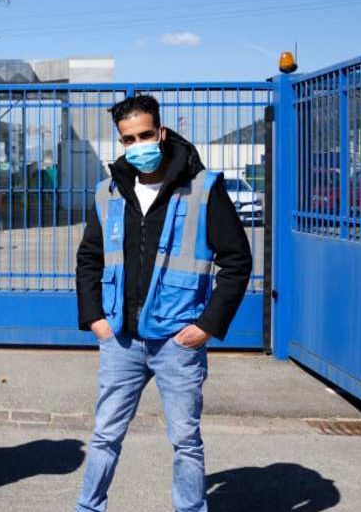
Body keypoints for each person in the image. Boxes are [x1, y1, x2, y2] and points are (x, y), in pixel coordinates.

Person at [74, 94, 252, 512]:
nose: (139, 145)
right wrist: (95, 318)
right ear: (121, 141)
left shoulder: (203, 188)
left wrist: (207, 326)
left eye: (145, 135)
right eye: (129, 138)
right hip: (121, 339)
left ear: (162, 132)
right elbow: (89, 258)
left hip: (178, 340)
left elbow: (237, 260)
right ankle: (87, 508)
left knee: (186, 441)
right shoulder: (109, 192)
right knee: (104, 435)